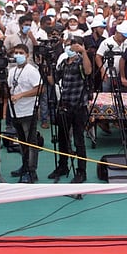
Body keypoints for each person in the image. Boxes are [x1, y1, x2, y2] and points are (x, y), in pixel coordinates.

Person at [51, 38, 92, 182]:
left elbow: (88, 71)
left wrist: (83, 52)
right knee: (62, 138)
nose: (70, 48)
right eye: (68, 45)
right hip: (64, 105)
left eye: (73, 45)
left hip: (79, 106)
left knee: (78, 140)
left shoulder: (81, 61)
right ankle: (62, 166)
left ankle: (81, 171)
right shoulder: (64, 63)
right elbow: (54, 80)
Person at [7, 44, 43, 183]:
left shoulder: (31, 71)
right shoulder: (12, 71)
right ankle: (25, 166)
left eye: (21, 52)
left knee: (31, 142)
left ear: (27, 54)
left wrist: (22, 95)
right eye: (16, 52)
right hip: (15, 111)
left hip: (28, 111)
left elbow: (40, 88)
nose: (18, 55)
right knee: (21, 141)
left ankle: (32, 171)